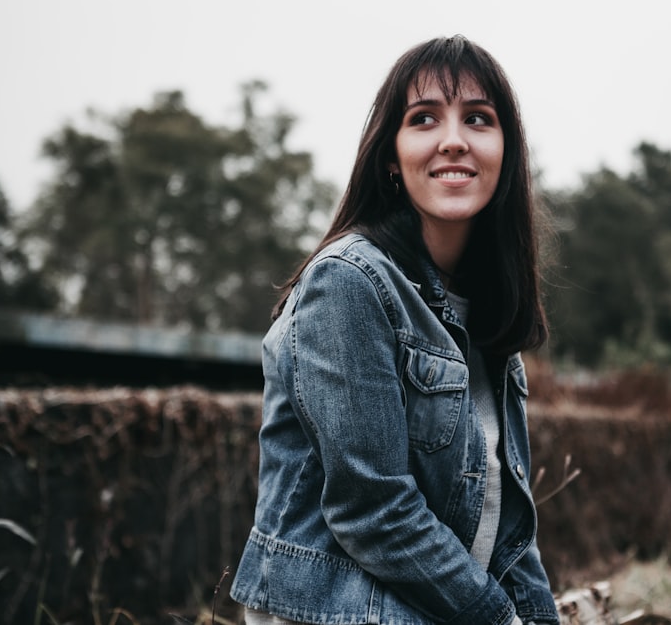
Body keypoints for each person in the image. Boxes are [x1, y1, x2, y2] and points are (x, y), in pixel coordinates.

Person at [230, 35, 560, 625]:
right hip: (335, 610)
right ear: (392, 155)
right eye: (424, 118)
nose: (453, 138)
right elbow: (375, 510)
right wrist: (501, 620)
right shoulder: (350, 282)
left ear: (506, 152)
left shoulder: (486, 320)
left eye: (478, 119)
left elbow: (513, 536)